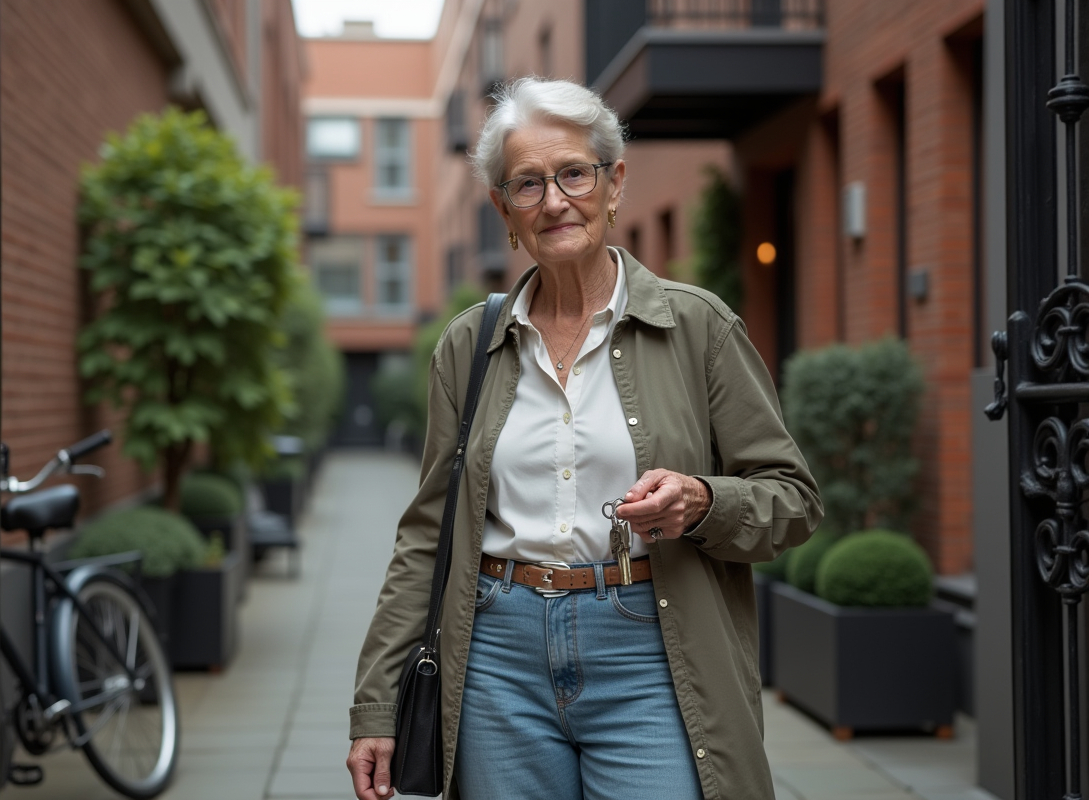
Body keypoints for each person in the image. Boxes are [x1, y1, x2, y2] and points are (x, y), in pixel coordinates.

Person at [346, 77, 823, 800]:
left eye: (573, 173)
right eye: (528, 183)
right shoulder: (468, 344)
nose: (555, 200)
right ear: (504, 208)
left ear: (614, 182)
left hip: (650, 646)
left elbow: (792, 501)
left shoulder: (699, 328)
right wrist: (376, 703)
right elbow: (426, 536)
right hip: (496, 653)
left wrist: (701, 502)